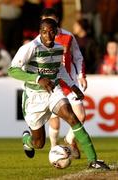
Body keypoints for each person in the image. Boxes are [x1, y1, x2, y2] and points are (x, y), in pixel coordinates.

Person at [8, 18, 110, 170]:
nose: (47, 35)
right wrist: (38, 78)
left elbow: (60, 69)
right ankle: (27, 140)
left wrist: (73, 85)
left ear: (56, 32)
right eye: (44, 32)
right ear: (39, 32)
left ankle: (93, 160)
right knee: (39, 143)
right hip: (34, 97)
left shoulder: (58, 48)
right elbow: (12, 70)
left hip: (53, 91)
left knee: (73, 118)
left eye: (51, 31)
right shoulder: (31, 47)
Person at [40, 8, 87, 158]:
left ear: (57, 20)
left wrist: (81, 75)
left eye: (51, 19)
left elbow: (78, 57)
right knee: (55, 122)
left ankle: (68, 139)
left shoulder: (68, 36)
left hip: (68, 81)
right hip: (52, 84)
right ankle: (54, 149)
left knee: (81, 116)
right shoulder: (38, 40)